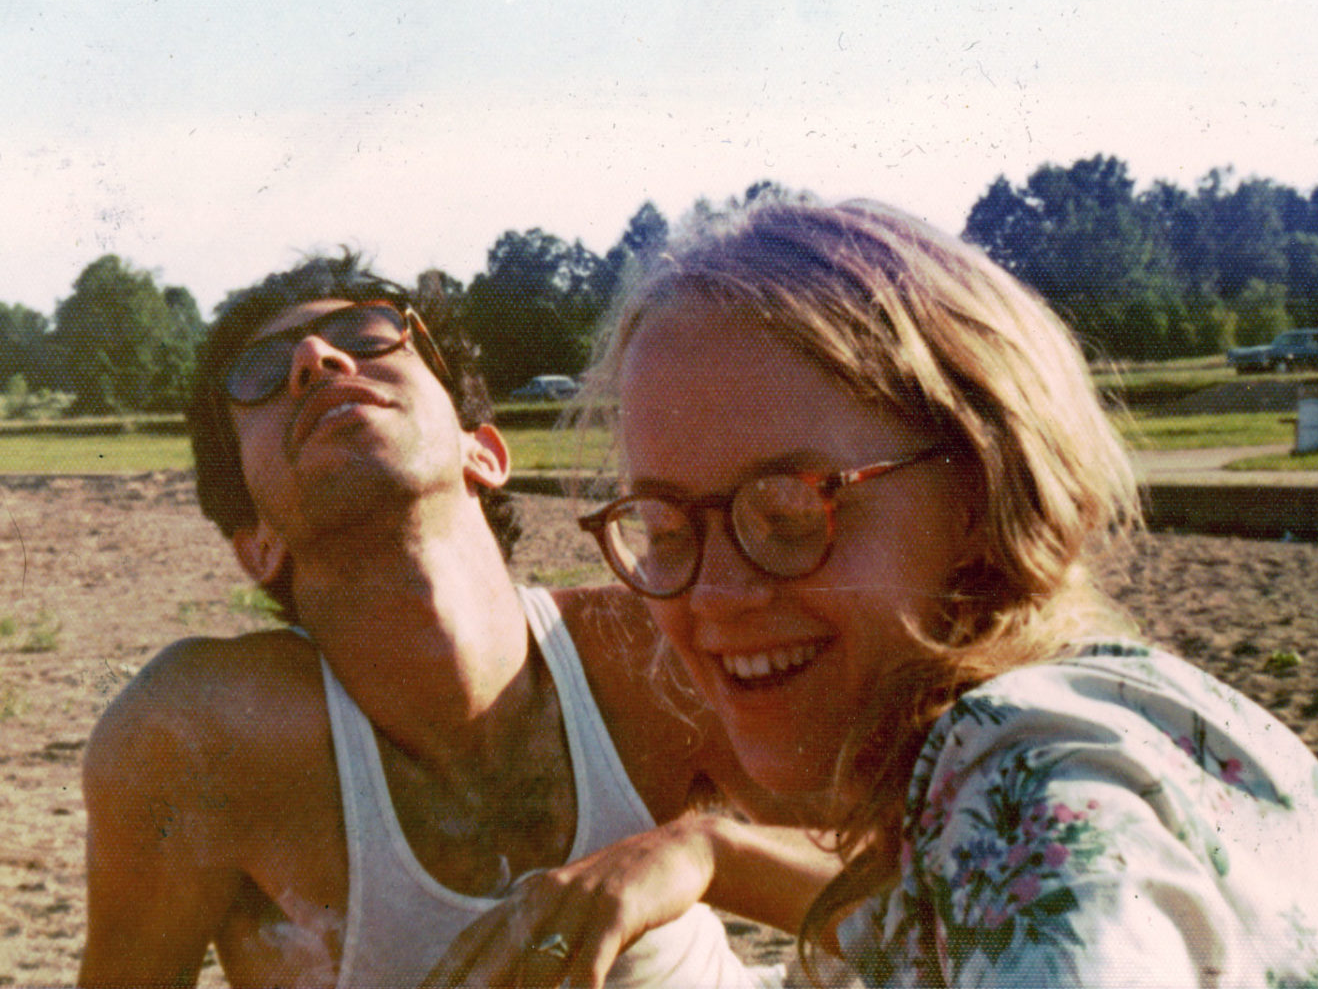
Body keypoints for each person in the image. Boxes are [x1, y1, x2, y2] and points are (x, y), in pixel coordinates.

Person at [564, 197, 1318, 986]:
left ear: (981, 488)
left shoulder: (1029, 778)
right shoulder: (1129, 720)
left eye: (791, 513)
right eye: (665, 529)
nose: (715, 595)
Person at [78, 253, 831, 988]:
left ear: (485, 452)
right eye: (261, 377)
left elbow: (921, 885)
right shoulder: (206, 739)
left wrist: (705, 853)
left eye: (371, 335)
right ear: (257, 544)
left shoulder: (643, 648)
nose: (316, 357)